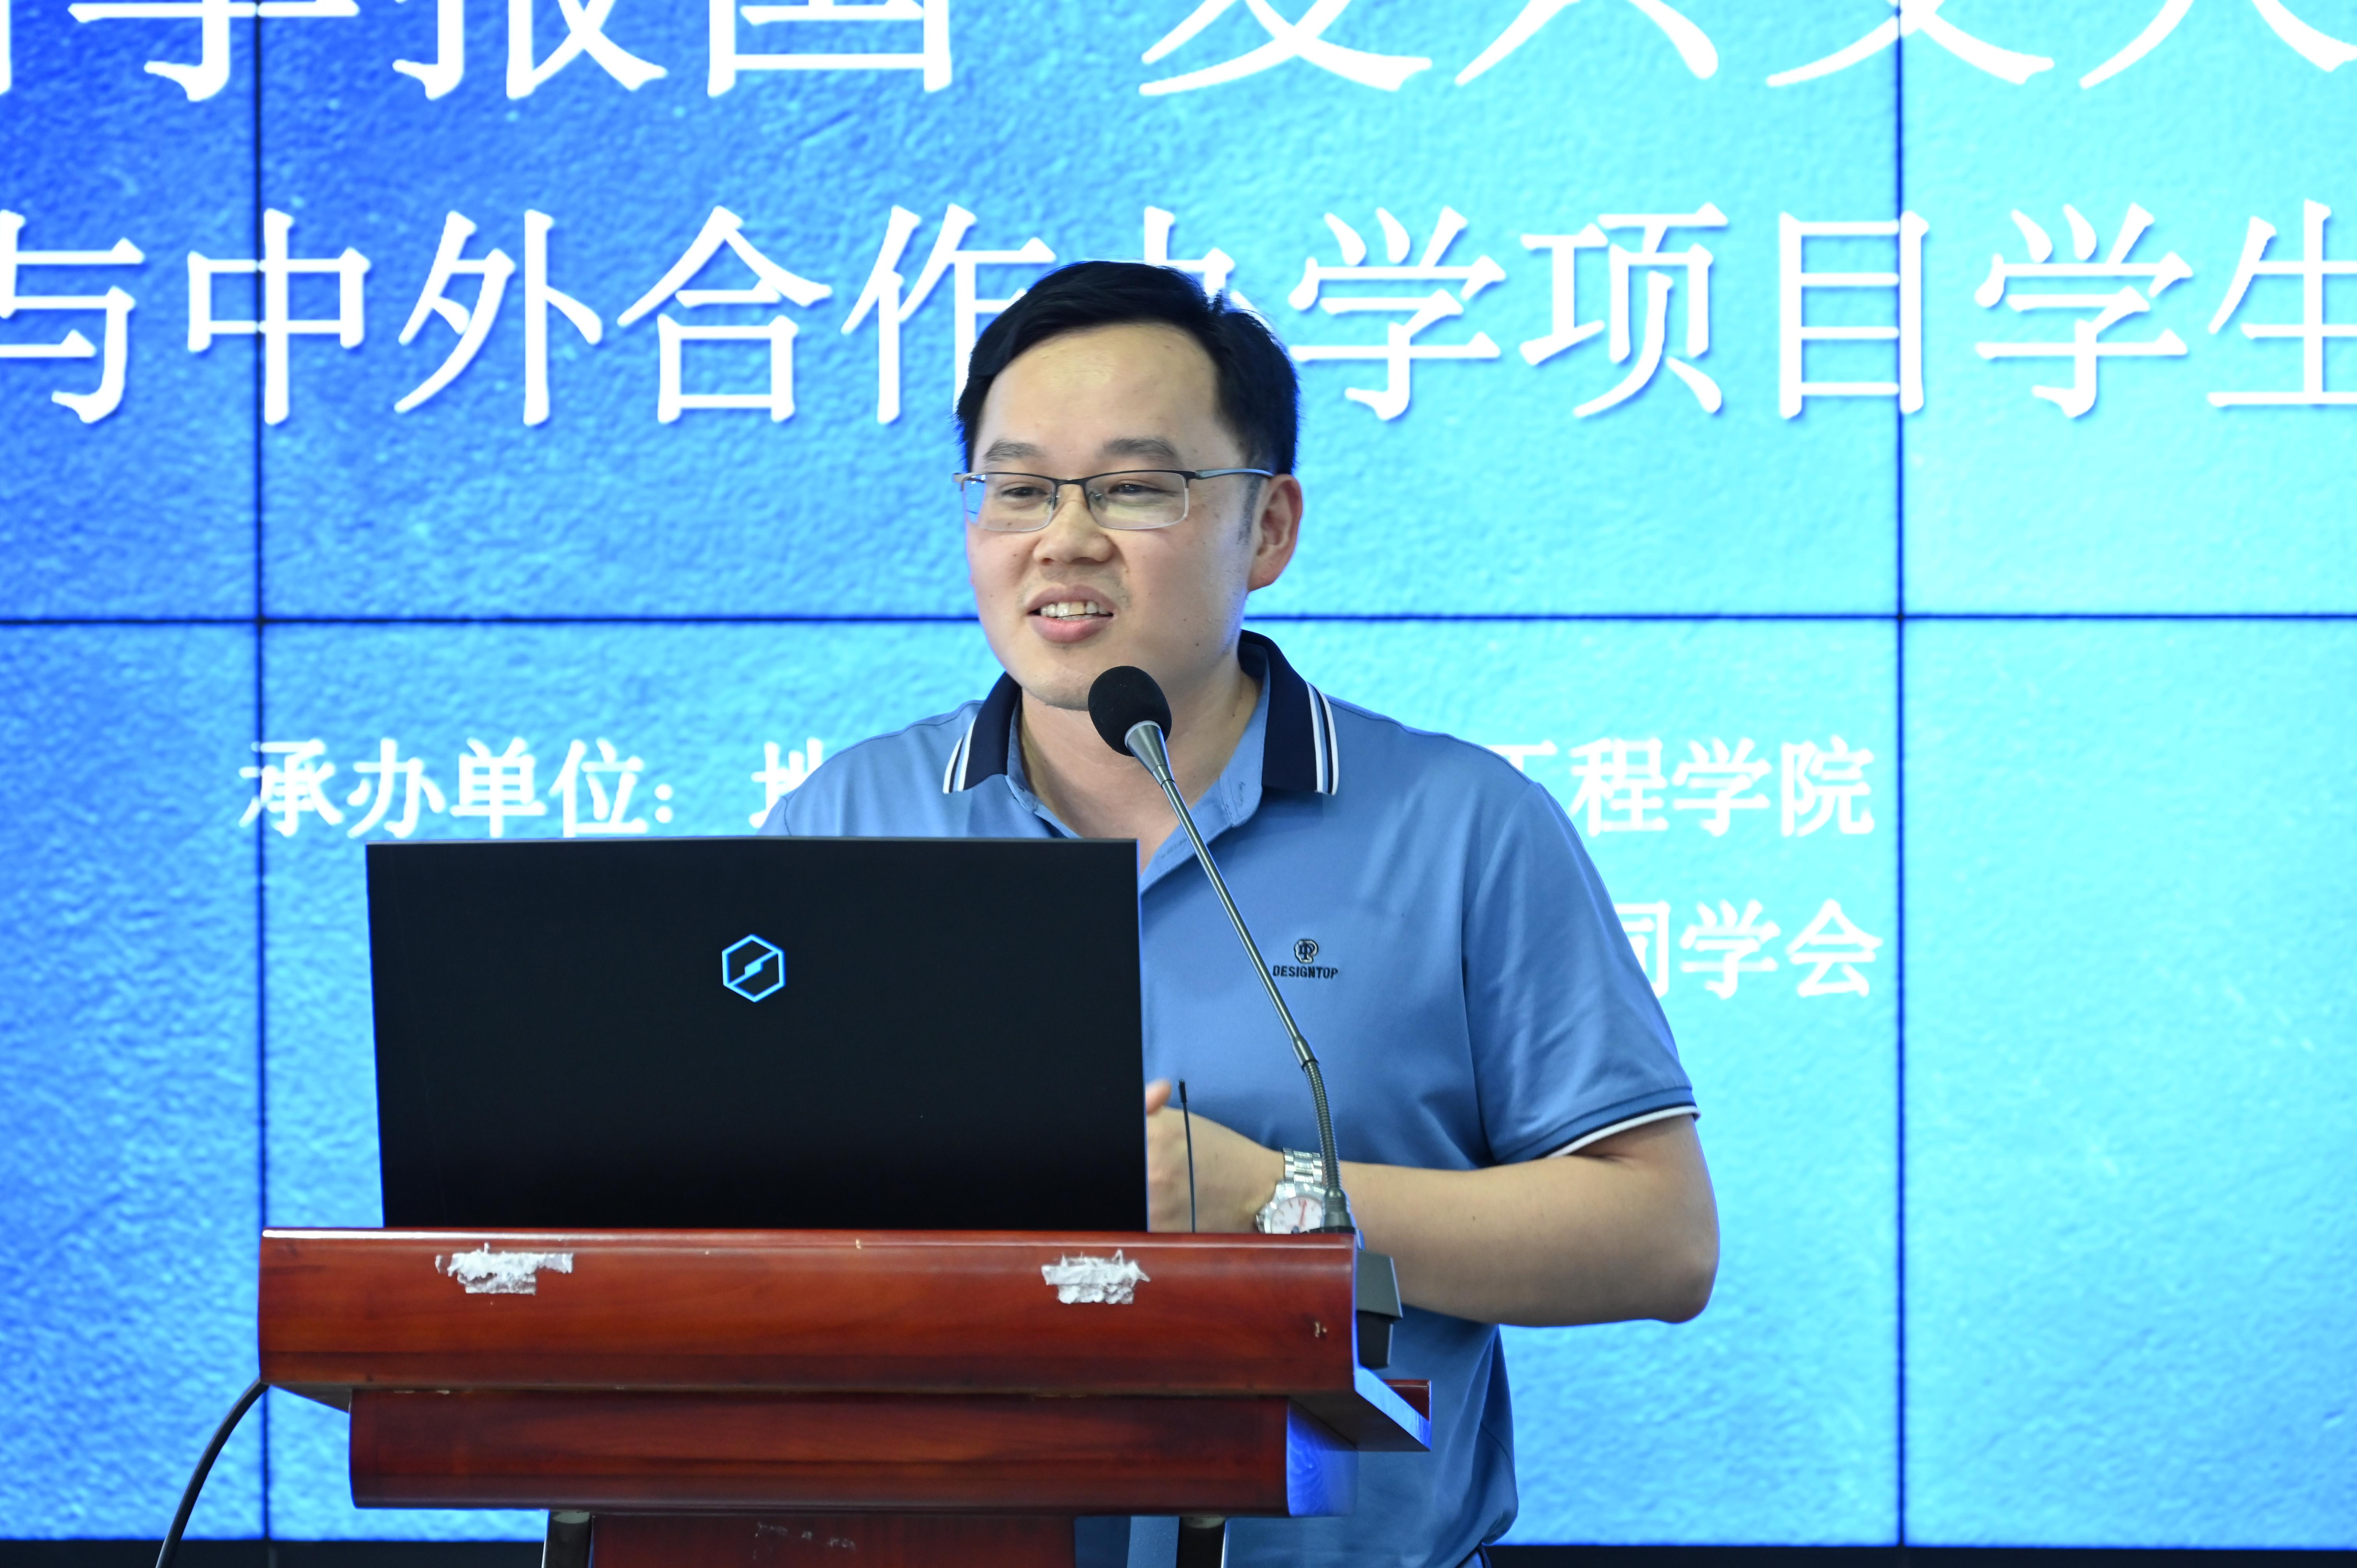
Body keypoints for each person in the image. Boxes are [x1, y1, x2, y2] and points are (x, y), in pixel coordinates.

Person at [761, 261, 1717, 1568]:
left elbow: (1658, 1241)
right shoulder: (847, 820)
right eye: (1019, 489)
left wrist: (1272, 1195)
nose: (1064, 538)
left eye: (1133, 489)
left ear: (1268, 528)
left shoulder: (1463, 824)